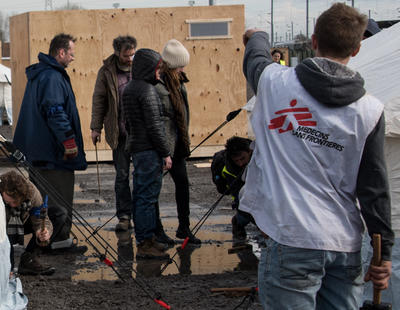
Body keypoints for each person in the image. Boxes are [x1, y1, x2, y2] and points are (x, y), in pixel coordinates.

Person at [241, 3, 394, 309]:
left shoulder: (275, 83)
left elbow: (255, 58)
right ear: (358, 48)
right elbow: (374, 188)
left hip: (291, 238)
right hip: (344, 244)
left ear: (313, 41)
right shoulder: (369, 110)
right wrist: (384, 252)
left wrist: (258, 35)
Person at [13, 33, 88, 254]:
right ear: (61, 52)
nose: (73, 58)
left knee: (45, 198)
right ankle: (57, 242)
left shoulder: (44, 75)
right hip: (53, 153)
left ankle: (49, 239)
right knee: (58, 198)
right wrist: (69, 141)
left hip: (40, 152)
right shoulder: (52, 77)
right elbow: (55, 112)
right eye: (71, 54)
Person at [122, 48, 172, 259]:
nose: (159, 73)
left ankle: (148, 239)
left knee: (142, 196)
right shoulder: (147, 91)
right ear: (149, 68)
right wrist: (166, 153)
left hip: (139, 149)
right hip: (149, 151)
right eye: (157, 69)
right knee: (147, 197)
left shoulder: (130, 88)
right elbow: (155, 127)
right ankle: (145, 242)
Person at [155, 39, 200, 245]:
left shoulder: (179, 82)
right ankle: (157, 231)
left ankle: (184, 228)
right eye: (180, 65)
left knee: (182, 184)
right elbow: (161, 119)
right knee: (154, 188)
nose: (183, 69)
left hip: (178, 145)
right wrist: (164, 150)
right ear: (171, 65)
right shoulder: (158, 83)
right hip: (164, 146)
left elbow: (183, 115)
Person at [91, 35, 137, 232]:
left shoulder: (140, 67)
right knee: (122, 176)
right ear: (117, 52)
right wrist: (96, 127)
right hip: (119, 134)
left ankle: (145, 217)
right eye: (126, 55)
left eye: (132, 54)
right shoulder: (106, 71)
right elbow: (99, 99)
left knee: (143, 175)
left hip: (140, 133)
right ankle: (124, 216)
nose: (130, 59)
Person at [0, 171, 55, 275]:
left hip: (22, 222)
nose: (12, 205)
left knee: (59, 214)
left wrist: (42, 231)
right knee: (7, 270)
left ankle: (28, 260)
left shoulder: (32, 193)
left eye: (16, 202)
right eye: (9, 202)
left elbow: (40, 219)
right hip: (3, 227)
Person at [211, 136, 254, 240]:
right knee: (246, 211)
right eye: (236, 160)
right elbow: (236, 195)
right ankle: (238, 222)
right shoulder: (227, 167)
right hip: (239, 189)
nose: (240, 163)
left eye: (243, 159)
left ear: (249, 151)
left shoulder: (260, 156)